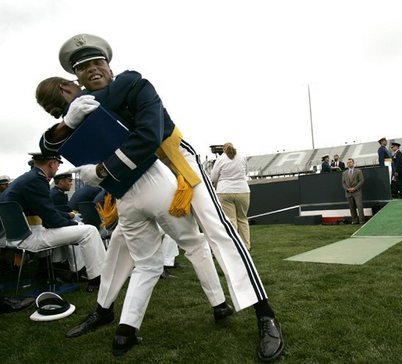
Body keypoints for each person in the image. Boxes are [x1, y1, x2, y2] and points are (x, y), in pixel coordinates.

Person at [39, 34, 283, 360]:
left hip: (175, 163)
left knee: (218, 230)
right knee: (121, 244)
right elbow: (48, 148)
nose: (92, 69)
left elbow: (148, 135)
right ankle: (104, 309)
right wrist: (66, 121)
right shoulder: (83, 105)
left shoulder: (132, 83)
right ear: (76, 77)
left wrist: (94, 159)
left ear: (108, 65)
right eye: (83, 67)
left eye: (97, 62)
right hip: (137, 179)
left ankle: (264, 313)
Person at [0, 152, 106, 292]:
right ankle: (97, 279)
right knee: (89, 231)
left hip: (15, 235)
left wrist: (67, 217)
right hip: (26, 237)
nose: (57, 169)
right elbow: (52, 220)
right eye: (57, 164)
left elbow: (41, 210)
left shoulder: (25, 179)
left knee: (73, 230)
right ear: (51, 163)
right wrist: (75, 224)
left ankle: (65, 271)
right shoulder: (37, 180)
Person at [210, 142, 252, 251]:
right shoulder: (242, 157)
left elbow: (214, 177)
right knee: (242, 219)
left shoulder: (221, 159)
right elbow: (246, 173)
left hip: (224, 191)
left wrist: (216, 185)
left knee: (231, 220)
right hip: (243, 191)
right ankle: (246, 246)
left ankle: (234, 246)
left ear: (223, 149)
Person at [342, 158, 365, 224]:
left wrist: (355, 188)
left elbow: (361, 181)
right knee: (352, 208)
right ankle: (355, 220)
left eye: (350, 162)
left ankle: (362, 221)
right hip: (348, 193)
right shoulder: (344, 173)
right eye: (348, 163)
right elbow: (343, 183)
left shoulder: (358, 171)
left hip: (357, 192)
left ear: (353, 163)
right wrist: (347, 189)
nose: (349, 164)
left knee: (359, 206)